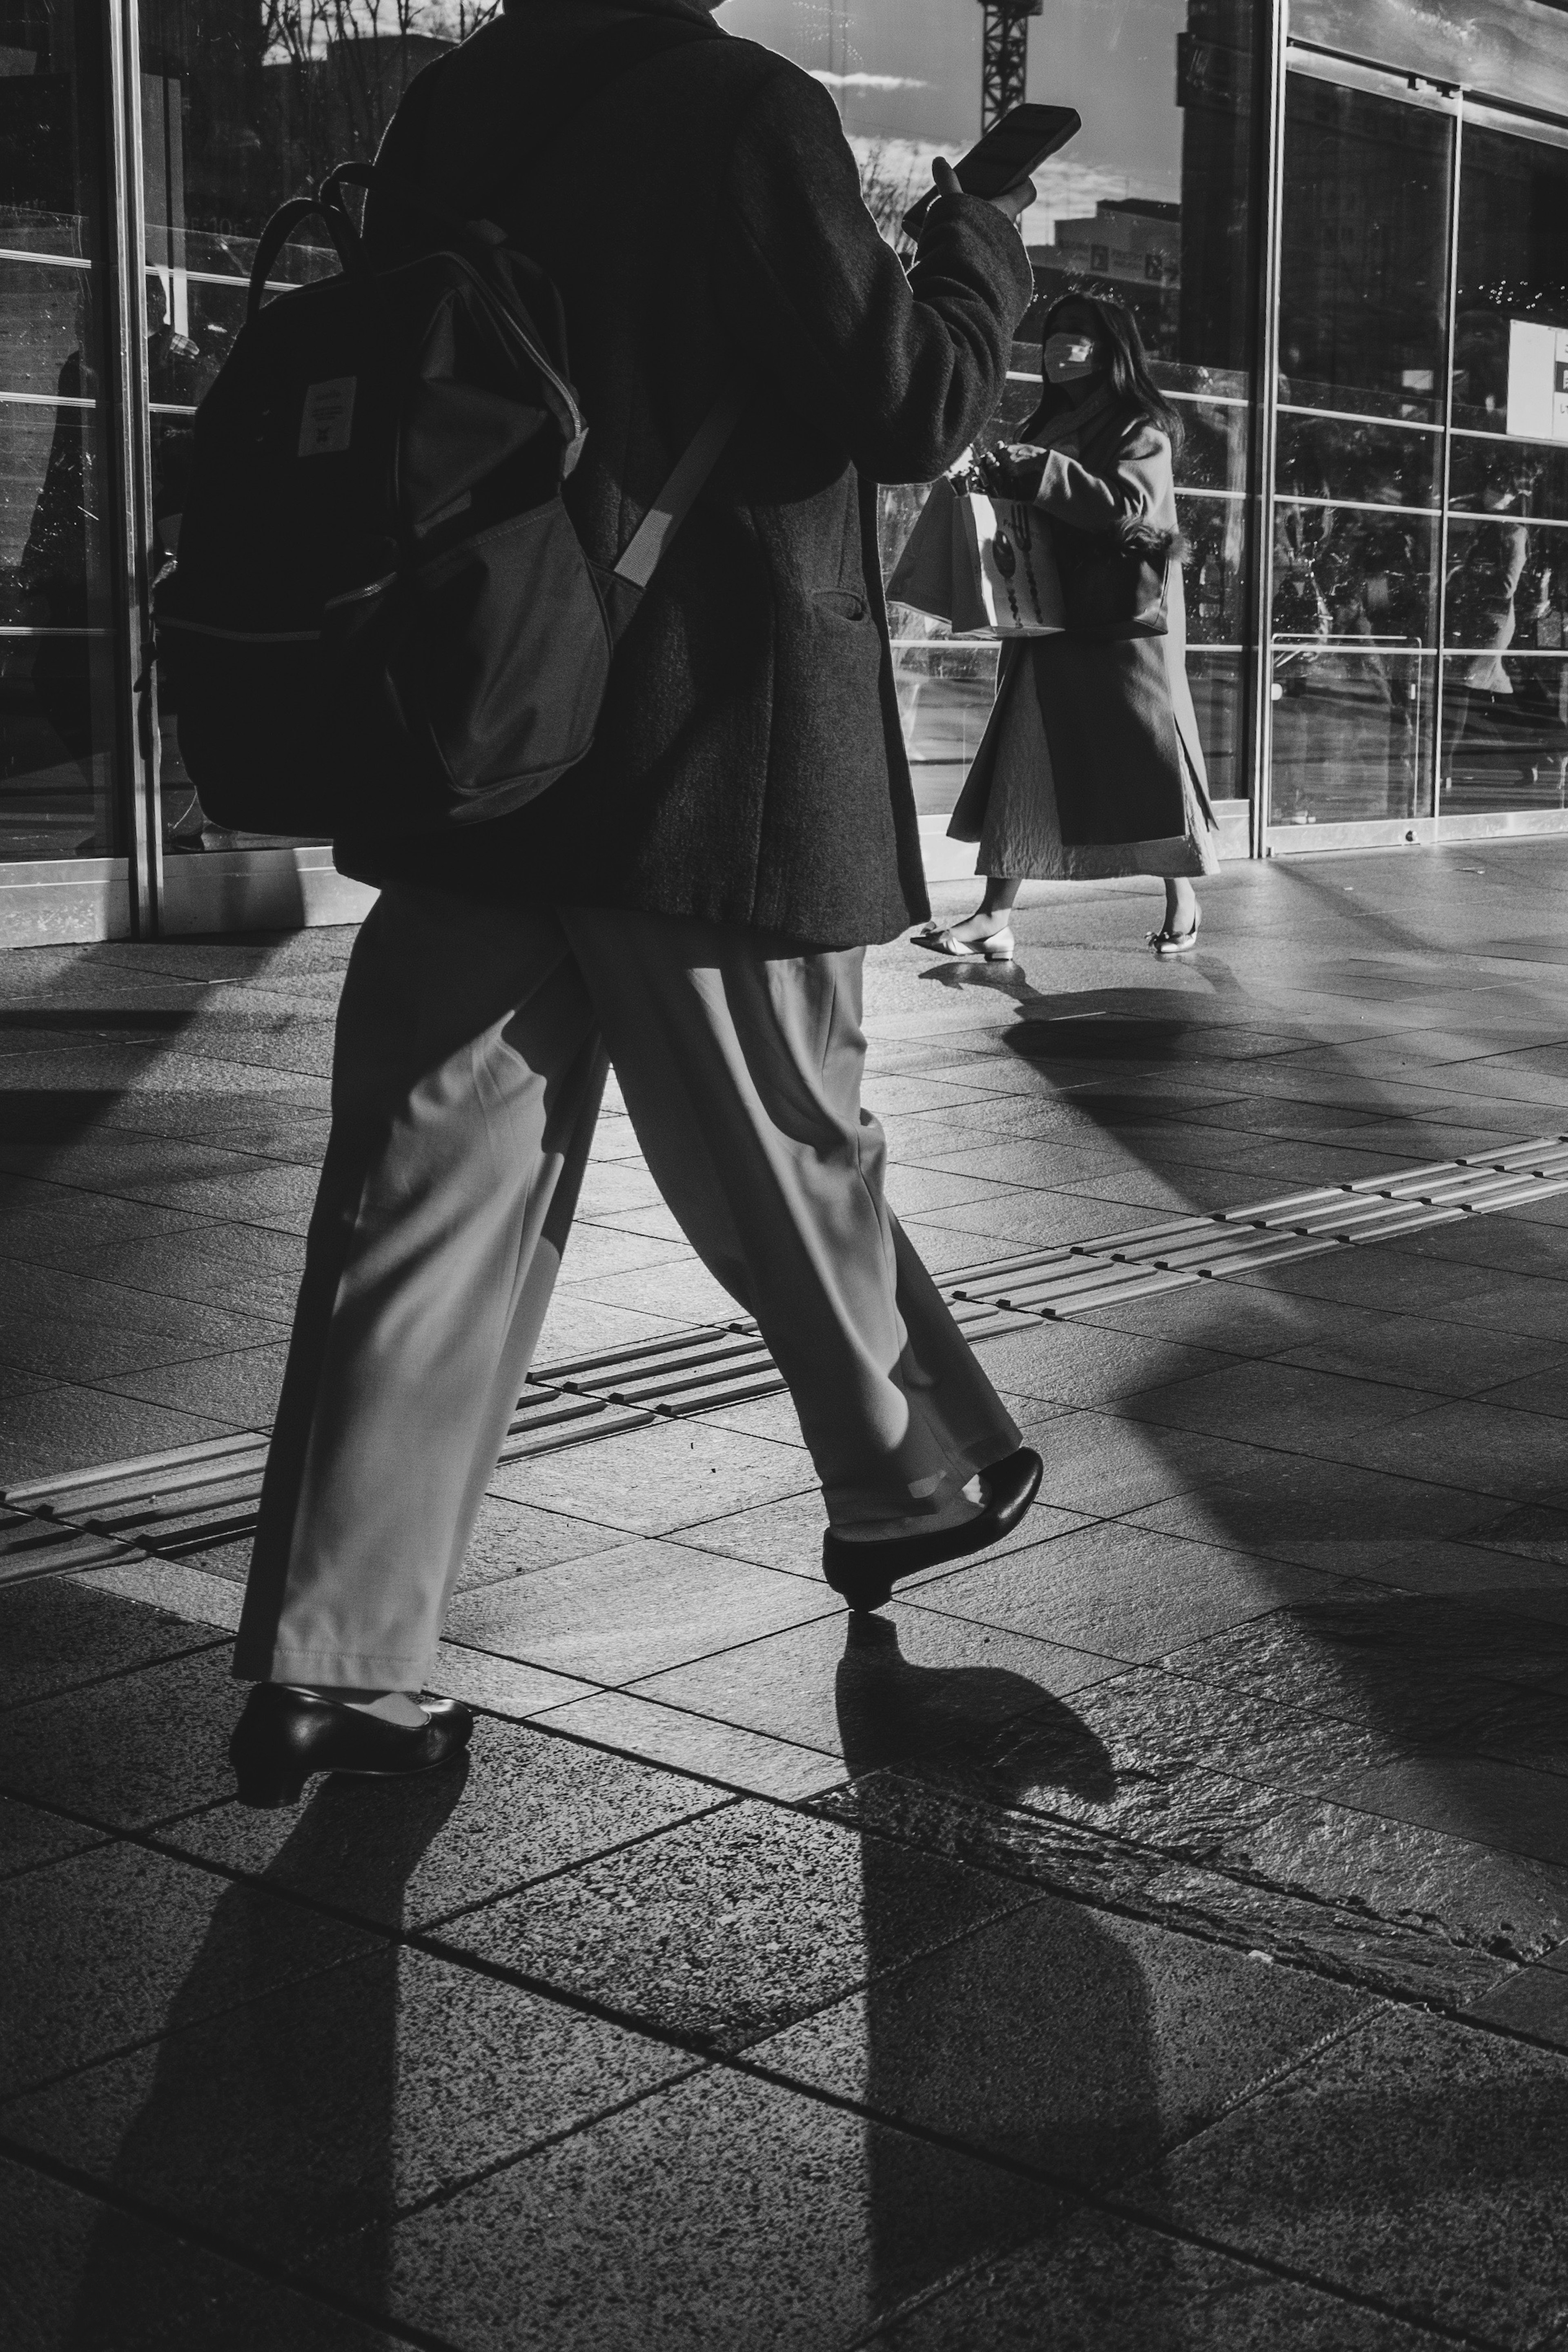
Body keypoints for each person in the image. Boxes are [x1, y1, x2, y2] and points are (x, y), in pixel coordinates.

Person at [227, 0, 1046, 1806]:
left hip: (480, 735)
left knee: (414, 1222)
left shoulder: (461, 102)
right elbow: (909, 401)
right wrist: (977, 257)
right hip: (698, 751)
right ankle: (915, 1473)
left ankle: (326, 1670)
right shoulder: (748, 112)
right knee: (788, 1137)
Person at [916, 292, 1218, 962]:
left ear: (1111, 347)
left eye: (1076, 335)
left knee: (1147, 767)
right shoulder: (1049, 423)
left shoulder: (1142, 428)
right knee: (1025, 760)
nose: (1059, 346)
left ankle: (1184, 896)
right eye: (1053, 334)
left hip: (1118, 631)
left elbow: (1135, 516)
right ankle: (994, 914)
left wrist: (1045, 473)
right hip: (1050, 620)